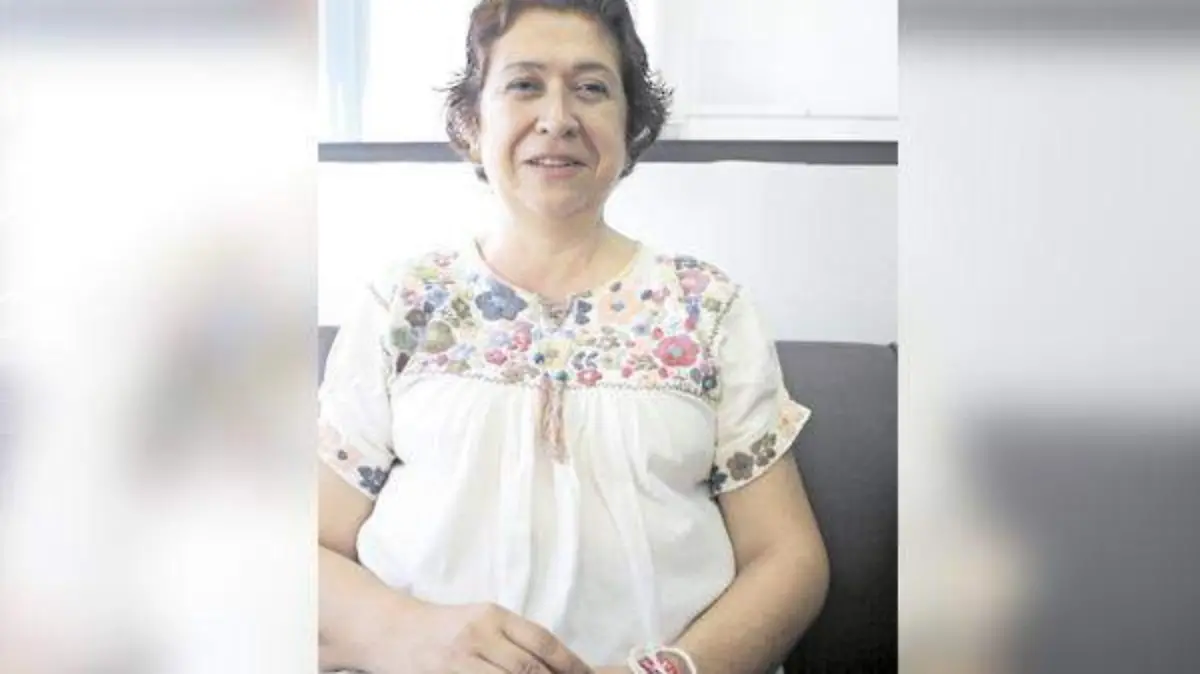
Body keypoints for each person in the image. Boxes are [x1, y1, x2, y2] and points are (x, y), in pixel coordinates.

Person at [317, 1, 830, 672]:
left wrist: (668, 670)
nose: (557, 118)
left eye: (591, 88)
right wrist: (409, 636)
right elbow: (309, 548)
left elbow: (786, 556)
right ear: (472, 121)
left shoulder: (708, 308)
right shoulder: (402, 302)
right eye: (524, 84)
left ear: (629, 123)